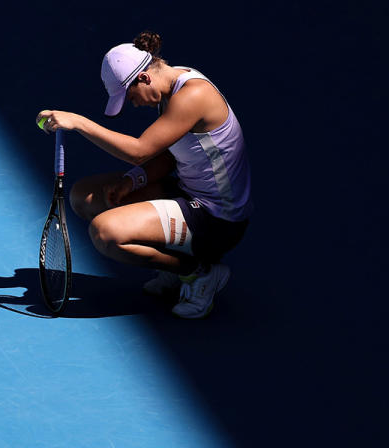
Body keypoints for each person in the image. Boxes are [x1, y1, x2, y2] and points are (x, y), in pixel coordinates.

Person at [36, 31, 253, 319]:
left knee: (105, 233)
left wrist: (79, 123)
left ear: (144, 78)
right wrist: (132, 181)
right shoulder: (174, 86)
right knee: (85, 196)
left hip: (218, 220)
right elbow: (169, 154)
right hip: (187, 193)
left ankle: (197, 272)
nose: (134, 104)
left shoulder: (193, 95)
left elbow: (139, 151)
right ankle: (174, 265)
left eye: (130, 96)